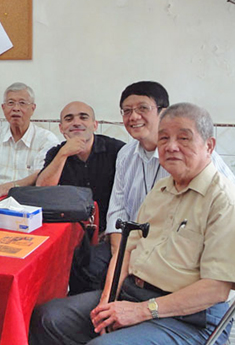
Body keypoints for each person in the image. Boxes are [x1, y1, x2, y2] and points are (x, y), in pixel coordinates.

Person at [29, 102, 235, 345]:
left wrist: (140, 311)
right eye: (164, 138)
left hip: (190, 319)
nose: (171, 147)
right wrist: (108, 300)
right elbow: (126, 248)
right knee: (47, 318)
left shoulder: (224, 200)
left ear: (209, 145)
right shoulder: (161, 189)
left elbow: (216, 289)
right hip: (135, 293)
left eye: (184, 138)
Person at [70, 81, 235, 295]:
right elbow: (117, 209)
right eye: (127, 111)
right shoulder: (125, 155)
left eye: (142, 108)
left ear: (163, 112)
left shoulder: (191, 158)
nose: (134, 117)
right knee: (85, 262)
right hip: (129, 241)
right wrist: (121, 253)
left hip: (174, 250)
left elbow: (225, 200)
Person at [36, 101, 125, 232]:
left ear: (95, 125)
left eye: (83, 117)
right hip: (72, 232)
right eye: (69, 119)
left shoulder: (117, 150)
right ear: (61, 128)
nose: (76, 122)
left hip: (111, 231)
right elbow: (43, 191)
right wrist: (63, 154)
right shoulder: (56, 153)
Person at [0, 82, 59, 196]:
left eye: (22, 103)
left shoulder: (46, 139)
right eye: (11, 103)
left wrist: (9, 187)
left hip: (29, 199)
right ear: (3, 108)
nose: (16, 108)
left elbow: (40, 175)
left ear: (32, 108)